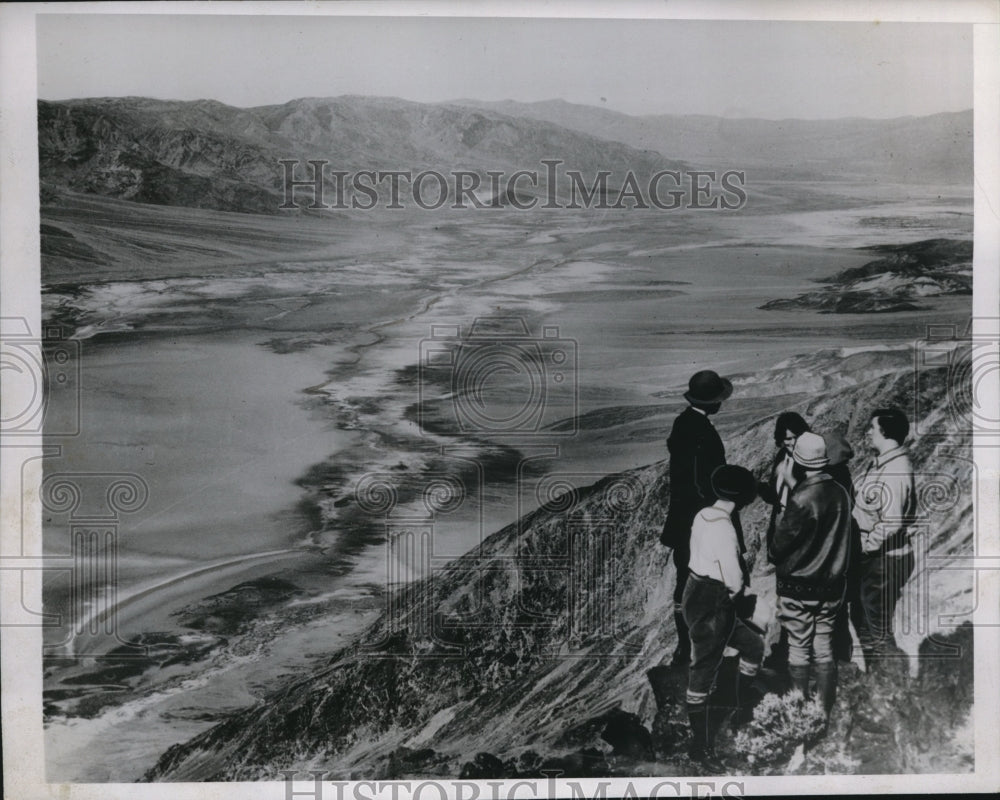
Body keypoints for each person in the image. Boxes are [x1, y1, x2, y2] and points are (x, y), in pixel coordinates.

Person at [683, 464, 763, 767]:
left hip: (693, 590)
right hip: (716, 600)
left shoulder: (703, 515)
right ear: (742, 499)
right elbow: (734, 580)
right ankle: (700, 747)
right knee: (704, 669)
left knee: (752, 644)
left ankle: (740, 706)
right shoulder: (726, 528)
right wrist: (732, 598)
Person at [661, 369, 740, 666]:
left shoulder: (684, 423)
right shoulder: (698, 429)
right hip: (698, 522)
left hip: (685, 521)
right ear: (711, 402)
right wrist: (714, 510)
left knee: (686, 583)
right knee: (699, 582)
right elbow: (698, 480)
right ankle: (694, 647)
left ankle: (686, 646)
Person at [772, 432, 852, 719]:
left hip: (798, 588)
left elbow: (778, 546)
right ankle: (823, 712)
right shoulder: (841, 493)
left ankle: (799, 716)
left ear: (799, 461)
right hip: (831, 587)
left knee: (798, 649)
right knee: (824, 648)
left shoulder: (801, 498)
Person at [850, 408, 916, 672]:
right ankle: (877, 679)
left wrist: (867, 546)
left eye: (872, 428)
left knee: (876, 628)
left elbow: (891, 521)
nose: (868, 432)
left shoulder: (894, 470)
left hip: (883, 559)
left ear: (885, 433)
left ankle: (887, 686)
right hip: (878, 560)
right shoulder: (884, 463)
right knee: (867, 621)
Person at [823, 431, 859, 664]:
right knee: (839, 616)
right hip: (845, 555)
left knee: (831, 616)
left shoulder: (832, 482)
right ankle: (841, 660)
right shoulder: (844, 477)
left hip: (831, 559)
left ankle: (834, 664)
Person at [760, 411, 811, 559]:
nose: (793, 442)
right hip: (781, 523)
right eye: (787, 439)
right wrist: (760, 488)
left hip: (800, 525)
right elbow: (775, 496)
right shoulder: (782, 456)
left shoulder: (809, 460)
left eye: (796, 437)